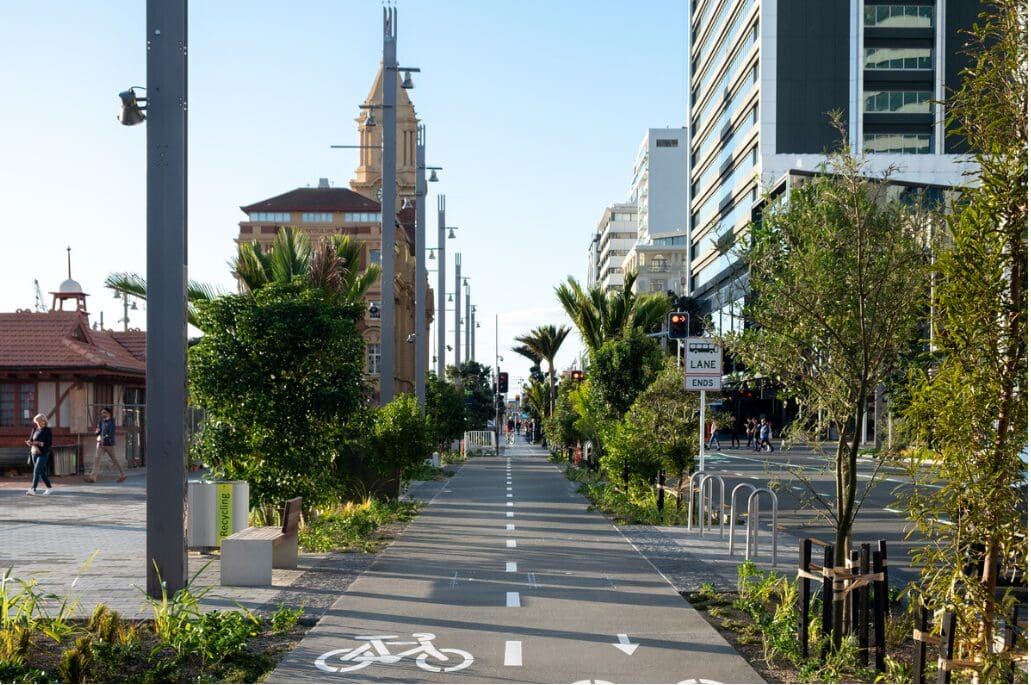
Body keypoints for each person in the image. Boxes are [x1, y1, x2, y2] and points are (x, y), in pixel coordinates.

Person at [85, 407, 126, 483]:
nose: (102, 414)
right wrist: (97, 432)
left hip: (109, 444)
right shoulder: (101, 421)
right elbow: (99, 430)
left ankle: (122, 474)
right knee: (97, 458)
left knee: (114, 459)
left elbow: (111, 433)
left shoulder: (112, 422)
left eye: (104, 413)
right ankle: (92, 478)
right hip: (101, 444)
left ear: (108, 413)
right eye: (101, 413)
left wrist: (103, 437)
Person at [25, 413, 53, 496]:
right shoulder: (34, 429)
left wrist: (39, 443)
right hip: (34, 452)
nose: (37, 424)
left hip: (43, 453)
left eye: (38, 422)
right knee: (41, 471)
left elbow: (49, 443)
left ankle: (33, 489)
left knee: (36, 470)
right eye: (36, 422)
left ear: (43, 421)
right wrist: (29, 442)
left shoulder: (47, 430)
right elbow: (31, 439)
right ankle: (49, 488)